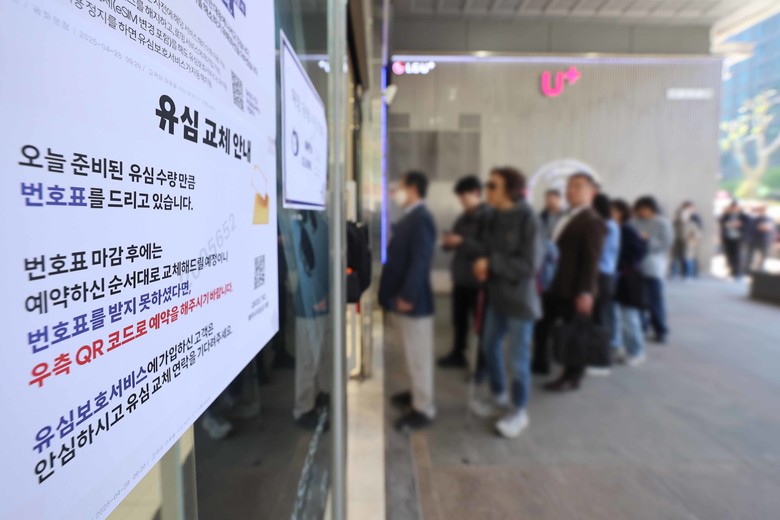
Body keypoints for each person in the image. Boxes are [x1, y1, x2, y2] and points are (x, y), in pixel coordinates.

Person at [465, 167, 543, 438]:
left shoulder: (529, 218)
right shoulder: (492, 216)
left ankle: (519, 411)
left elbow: (530, 265)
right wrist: (480, 261)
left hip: (520, 301)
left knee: (518, 359)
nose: (486, 190)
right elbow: (486, 249)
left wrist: (491, 263)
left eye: (492, 185)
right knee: (489, 345)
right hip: (495, 296)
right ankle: (499, 396)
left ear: (510, 190)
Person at [535, 173, 605, 392]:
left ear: (592, 192)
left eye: (577, 186)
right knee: (542, 325)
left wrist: (586, 292)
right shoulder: (565, 215)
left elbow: (592, 260)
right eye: (568, 186)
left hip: (573, 288)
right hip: (553, 284)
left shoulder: (592, 220)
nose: (570, 190)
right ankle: (539, 363)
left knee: (574, 333)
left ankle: (572, 376)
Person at [379, 171, 437, 432]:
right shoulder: (411, 217)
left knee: (418, 357)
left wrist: (408, 296)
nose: (397, 192)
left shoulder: (421, 219)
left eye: (401, 187)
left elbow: (420, 262)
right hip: (402, 300)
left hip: (413, 303)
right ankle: (415, 394)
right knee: (410, 354)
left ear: (413, 188)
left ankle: (423, 407)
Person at [439, 175, 490, 370]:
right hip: (460, 278)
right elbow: (455, 241)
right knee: (459, 321)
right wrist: (448, 242)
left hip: (478, 281)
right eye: (459, 197)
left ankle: (482, 362)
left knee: (480, 325)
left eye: (464, 196)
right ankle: (458, 354)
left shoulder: (487, 217)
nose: (461, 201)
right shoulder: (463, 217)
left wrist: (462, 242)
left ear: (476, 193)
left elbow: (487, 249)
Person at [611, 199, 649, 366]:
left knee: (629, 317)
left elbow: (640, 251)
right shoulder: (616, 228)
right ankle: (624, 348)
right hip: (619, 278)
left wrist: (623, 262)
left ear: (621, 213)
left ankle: (636, 351)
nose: (610, 213)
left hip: (628, 279)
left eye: (613, 210)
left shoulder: (627, 230)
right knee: (618, 316)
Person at [632, 196, 673, 344]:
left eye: (644, 209)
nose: (641, 212)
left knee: (655, 301)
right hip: (635, 267)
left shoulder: (663, 223)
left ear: (652, 209)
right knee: (637, 300)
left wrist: (647, 239)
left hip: (653, 267)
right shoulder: (633, 222)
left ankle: (660, 329)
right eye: (639, 209)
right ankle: (641, 327)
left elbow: (666, 244)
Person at [588, 193, 620, 376]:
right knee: (599, 317)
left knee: (600, 319)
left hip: (602, 275)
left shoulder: (606, 225)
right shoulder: (610, 224)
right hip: (605, 274)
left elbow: (598, 251)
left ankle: (601, 362)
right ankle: (595, 357)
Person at [671, 201, 702, 280]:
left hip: (688, 243)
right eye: (680, 215)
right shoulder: (675, 224)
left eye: (684, 215)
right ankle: (674, 273)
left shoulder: (691, 224)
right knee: (675, 258)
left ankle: (687, 275)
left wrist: (693, 240)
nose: (681, 216)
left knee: (687, 259)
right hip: (676, 242)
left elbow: (697, 234)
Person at [719, 200, 749, 280]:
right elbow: (722, 222)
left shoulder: (744, 216)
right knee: (729, 255)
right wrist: (728, 223)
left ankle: (738, 273)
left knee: (737, 256)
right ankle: (731, 271)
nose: (734, 209)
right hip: (728, 238)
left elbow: (747, 226)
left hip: (738, 239)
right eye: (732, 207)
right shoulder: (727, 215)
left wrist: (740, 225)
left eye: (735, 207)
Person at [746, 205, 776, 272]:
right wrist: (758, 227)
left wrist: (767, 229)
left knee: (764, 256)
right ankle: (748, 269)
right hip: (755, 240)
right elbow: (750, 229)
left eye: (764, 210)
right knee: (751, 256)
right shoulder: (754, 219)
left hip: (765, 240)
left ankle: (761, 270)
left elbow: (773, 230)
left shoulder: (770, 219)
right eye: (761, 210)